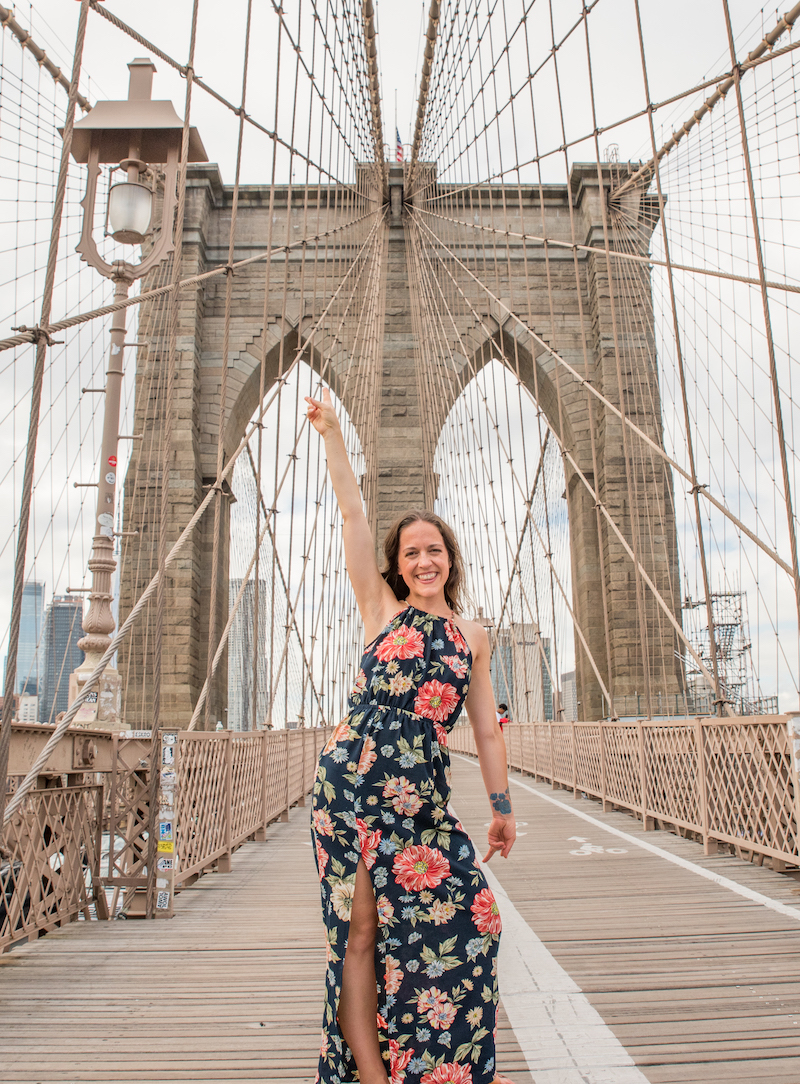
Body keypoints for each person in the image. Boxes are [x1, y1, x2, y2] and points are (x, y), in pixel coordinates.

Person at [306, 388, 516, 1084]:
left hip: (421, 796)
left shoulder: (473, 638)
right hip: (350, 783)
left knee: (473, 918)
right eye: (411, 553)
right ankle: (371, 1074)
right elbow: (350, 511)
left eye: (434, 550)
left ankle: (437, 1064)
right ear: (398, 565)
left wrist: (502, 807)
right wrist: (334, 433)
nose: (423, 561)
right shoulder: (380, 609)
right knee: (361, 932)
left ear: (449, 559)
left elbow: (485, 730)